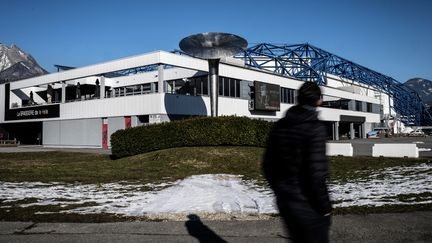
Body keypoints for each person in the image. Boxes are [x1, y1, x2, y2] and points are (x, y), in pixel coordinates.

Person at [262, 82, 332, 243]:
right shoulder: (315, 128)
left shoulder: (280, 125)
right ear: (318, 100)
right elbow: (316, 173)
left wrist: (280, 190)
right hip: (309, 206)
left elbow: (267, 164)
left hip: (286, 202)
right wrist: (325, 207)